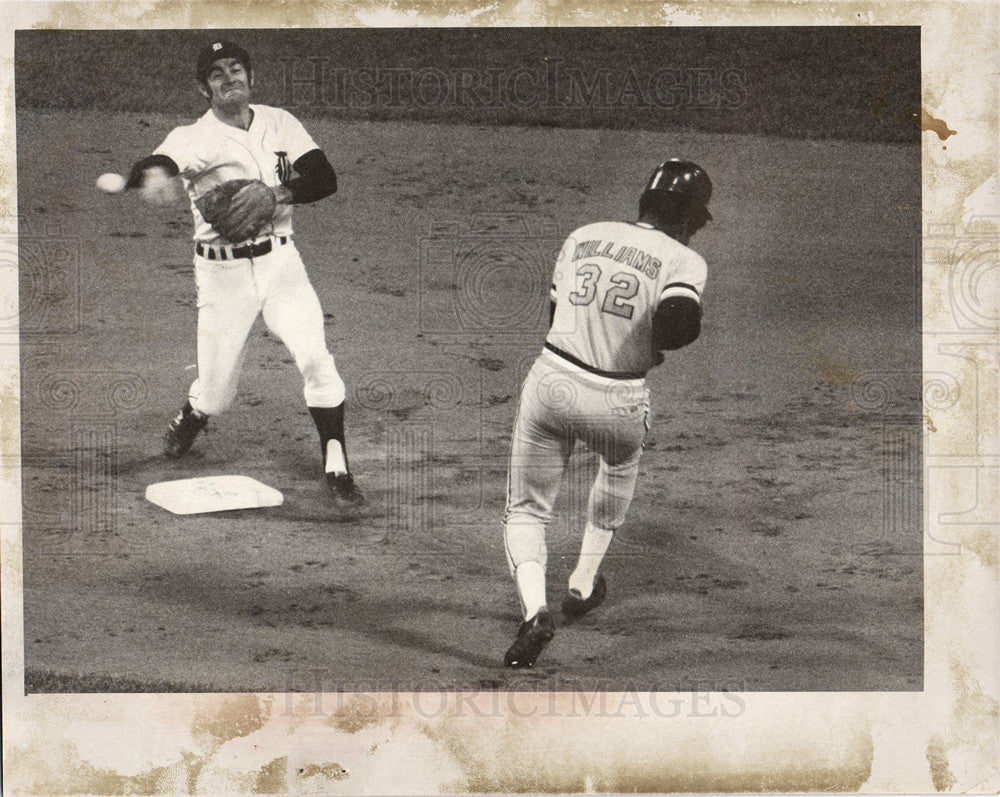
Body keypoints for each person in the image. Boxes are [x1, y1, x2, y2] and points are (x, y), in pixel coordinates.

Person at [126, 40, 363, 507]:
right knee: (217, 395)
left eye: (236, 68)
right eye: (217, 73)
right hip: (222, 278)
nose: (229, 77)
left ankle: (336, 460)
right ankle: (196, 412)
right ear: (204, 88)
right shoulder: (194, 136)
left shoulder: (280, 121)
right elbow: (162, 162)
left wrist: (276, 195)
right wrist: (153, 175)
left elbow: (323, 177)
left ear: (249, 77)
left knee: (315, 355)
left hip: (281, 265)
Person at [501, 160, 712, 667]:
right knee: (618, 465)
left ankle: (535, 612)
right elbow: (679, 323)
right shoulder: (686, 260)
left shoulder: (583, 235)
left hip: (551, 381)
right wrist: (651, 342)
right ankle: (582, 582)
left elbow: (557, 315)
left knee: (526, 510)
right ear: (687, 216)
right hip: (618, 400)